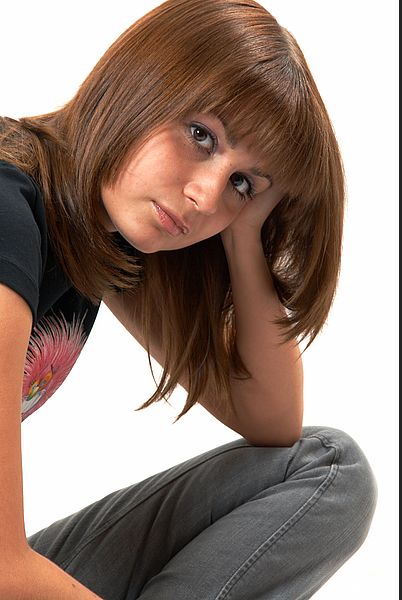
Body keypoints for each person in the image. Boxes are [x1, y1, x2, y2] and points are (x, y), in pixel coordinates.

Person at [0, 0, 377, 597]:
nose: (206, 196)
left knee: (328, 469)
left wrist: (246, 233)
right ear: (140, 83)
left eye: (242, 183)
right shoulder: (6, 212)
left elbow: (273, 423)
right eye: (201, 136)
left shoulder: (94, 237)